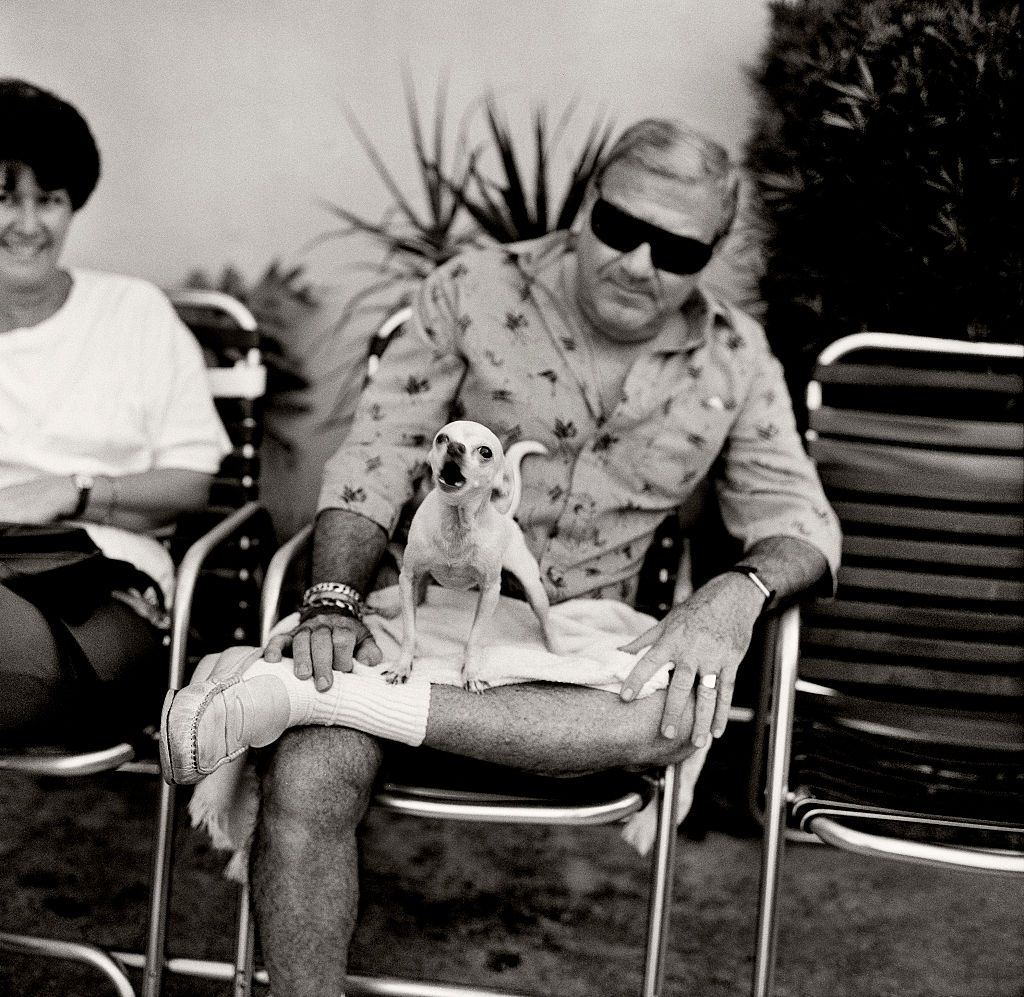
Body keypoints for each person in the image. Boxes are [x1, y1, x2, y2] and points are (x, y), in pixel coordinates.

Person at [165, 118, 841, 995]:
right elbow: (375, 458)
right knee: (307, 771)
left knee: (671, 718)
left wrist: (738, 590)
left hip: (578, 638)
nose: (639, 262)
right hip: (421, 613)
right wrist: (331, 597)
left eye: (675, 247)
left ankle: (299, 694)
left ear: (710, 252)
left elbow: (801, 521)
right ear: (587, 206)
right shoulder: (473, 288)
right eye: (620, 228)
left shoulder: (736, 356)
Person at [0, 79, 231, 744]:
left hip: (98, 583)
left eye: (50, 199)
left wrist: (71, 491)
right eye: (5, 198)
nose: (28, 223)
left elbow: (190, 483)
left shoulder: (133, 314)